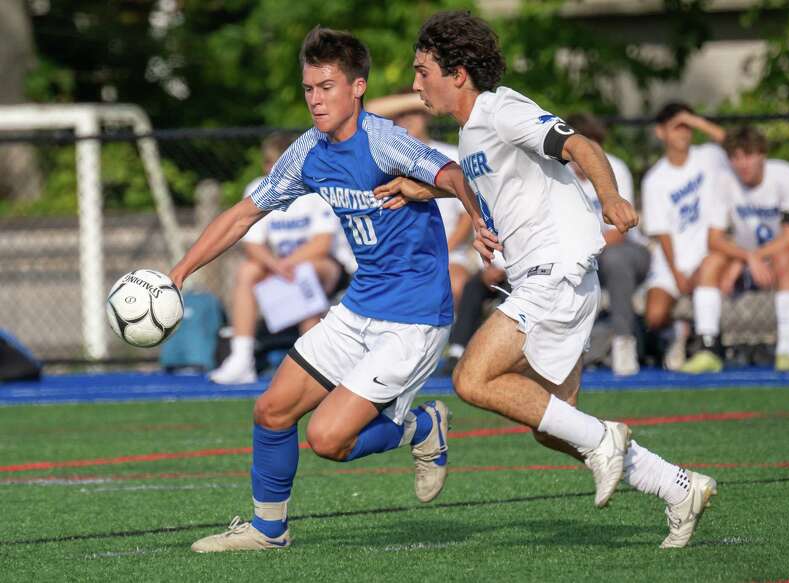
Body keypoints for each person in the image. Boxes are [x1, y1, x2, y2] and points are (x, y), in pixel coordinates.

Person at [376, 11, 717, 549]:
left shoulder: (501, 107)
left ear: (458, 73)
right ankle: (677, 486)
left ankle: (607, 440)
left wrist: (610, 197)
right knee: (553, 424)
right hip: (552, 278)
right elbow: (485, 178)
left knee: (471, 380)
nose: (416, 84)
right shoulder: (470, 133)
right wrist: (427, 190)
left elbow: (580, 145)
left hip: (556, 271)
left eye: (423, 71)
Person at [170, 26, 495, 553]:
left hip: (413, 317)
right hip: (359, 306)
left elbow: (457, 174)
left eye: (327, 87)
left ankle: (421, 426)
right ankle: (267, 529)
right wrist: (180, 272)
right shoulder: (308, 152)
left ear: (358, 87)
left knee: (327, 439)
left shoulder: (384, 139)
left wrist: (478, 222)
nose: (316, 100)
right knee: (271, 411)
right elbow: (243, 214)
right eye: (308, 89)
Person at [209, 133, 352, 385]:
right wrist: (275, 265)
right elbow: (252, 244)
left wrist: (287, 265)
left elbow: (321, 244)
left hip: (326, 267)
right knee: (248, 271)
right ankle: (242, 357)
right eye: (269, 163)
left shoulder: (317, 189)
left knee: (305, 272)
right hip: (280, 266)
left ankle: (314, 362)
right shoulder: (258, 188)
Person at [684, 126, 789, 373]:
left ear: (762, 155)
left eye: (748, 155)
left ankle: (786, 351)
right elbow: (714, 239)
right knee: (710, 263)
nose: (742, 163)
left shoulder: (786, 176)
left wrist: (752, 257)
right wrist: (746, 258)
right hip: (750, 260)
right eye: (735, 157)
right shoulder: (724, 181)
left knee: (783, 258)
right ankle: (708, 347)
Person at [367, 93, 477, 309]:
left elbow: (467, 215)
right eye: (399, 114)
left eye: (414, 113)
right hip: (398, 256)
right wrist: (417, 100)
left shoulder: (451, 155)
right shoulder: (385, 160)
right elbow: (368, 110)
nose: (407, 119)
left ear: (426, 115)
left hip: (450, 252)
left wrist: (441, 252)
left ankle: (454, 343)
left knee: (454, 284)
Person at [641, 102, 727, 372]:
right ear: (661, 133)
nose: (683, 134)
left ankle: (707, 346)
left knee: (710, 267)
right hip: (672, 259)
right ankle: (681, 333)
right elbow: (662, 232)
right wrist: (677, 272)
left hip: (707, 252)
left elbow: (733, 143)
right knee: (654, 315)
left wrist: (696, 121)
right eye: (676, 128)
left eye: (687, 128)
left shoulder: (709, 156)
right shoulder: (655, 179)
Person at [567, 113, 650, 376]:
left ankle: (624, 341)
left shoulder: (615, 167)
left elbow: (619, 231)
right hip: (577, 252)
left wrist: (582, 250)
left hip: (623, 252)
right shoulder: (557, 174)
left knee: (616, 259)